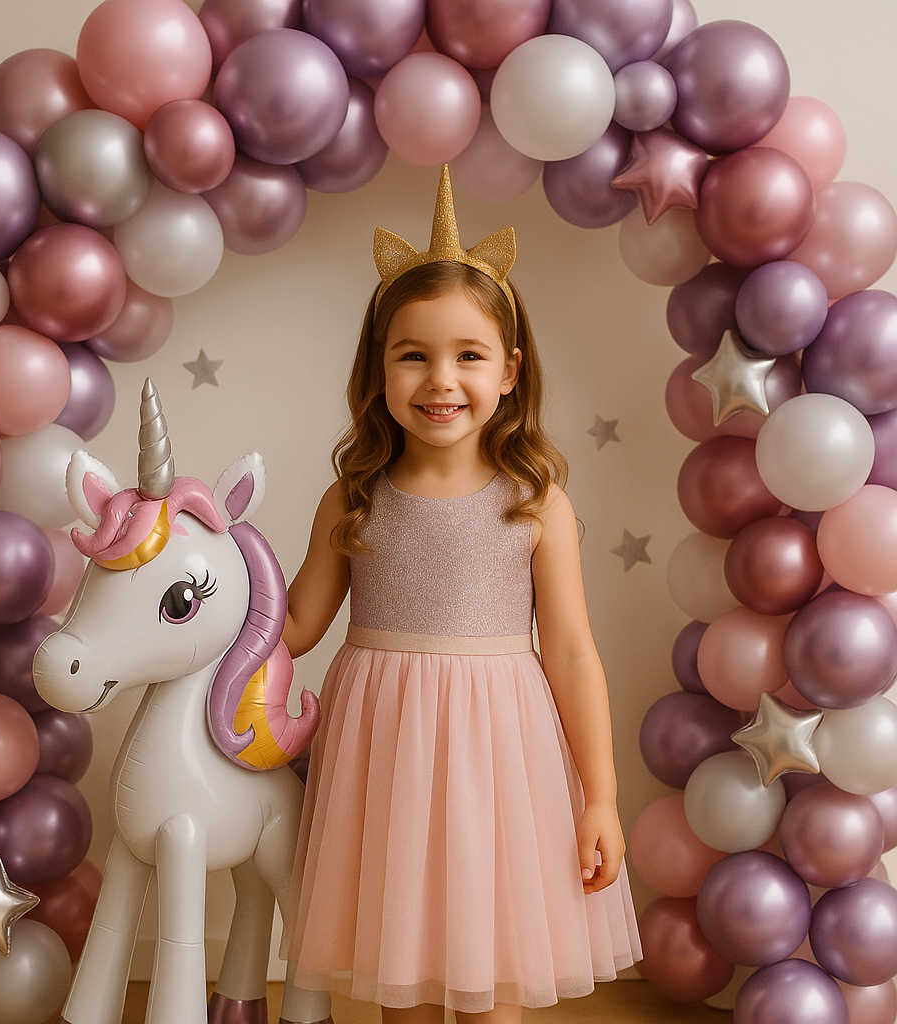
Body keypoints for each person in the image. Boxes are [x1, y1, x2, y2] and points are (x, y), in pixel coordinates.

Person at [281, 166, 641, 1024]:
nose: (441, 380)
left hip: (498, 753)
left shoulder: (535, 501)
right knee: (400, 966)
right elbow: (292, 625)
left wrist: (600, 797)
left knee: (492, 973)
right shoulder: (353, 498)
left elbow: (572, 652)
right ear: (378, 371)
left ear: (510, 371)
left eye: (468, 356)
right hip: (383, 751)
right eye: (414, 355)